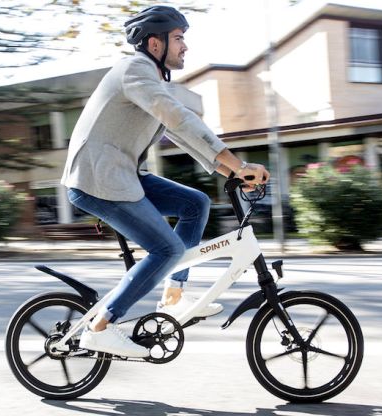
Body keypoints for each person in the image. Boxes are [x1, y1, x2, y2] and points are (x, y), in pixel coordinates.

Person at [61, 5, 270, 357]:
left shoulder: (150, 77)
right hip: (98, 179)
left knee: (195, 203)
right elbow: (178, 118)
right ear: (154, 43)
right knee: (167, 249)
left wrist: (232, 172)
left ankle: (173, 295)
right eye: (178, 38)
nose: (185, 46)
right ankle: (102, 326)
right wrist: (236, 163)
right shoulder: (135, 70)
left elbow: (179, 132)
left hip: (122, 175)